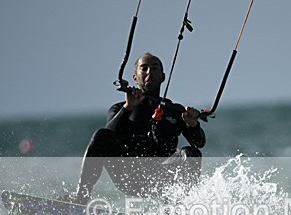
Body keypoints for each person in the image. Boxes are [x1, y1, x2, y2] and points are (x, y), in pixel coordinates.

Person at [72, 53, 206, 203]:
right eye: (144, 68)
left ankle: (181, 209)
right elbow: (106, 136)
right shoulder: (119, 108)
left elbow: (199, 143)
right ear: (135, 78)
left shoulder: (175, 111)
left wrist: (192, 124)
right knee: (100, 135)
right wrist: (128, 108)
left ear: (162, 77)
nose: (149, 72)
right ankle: (81, 197)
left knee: (191, 153)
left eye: (154, 68)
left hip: (161, 176)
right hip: (128, 174)